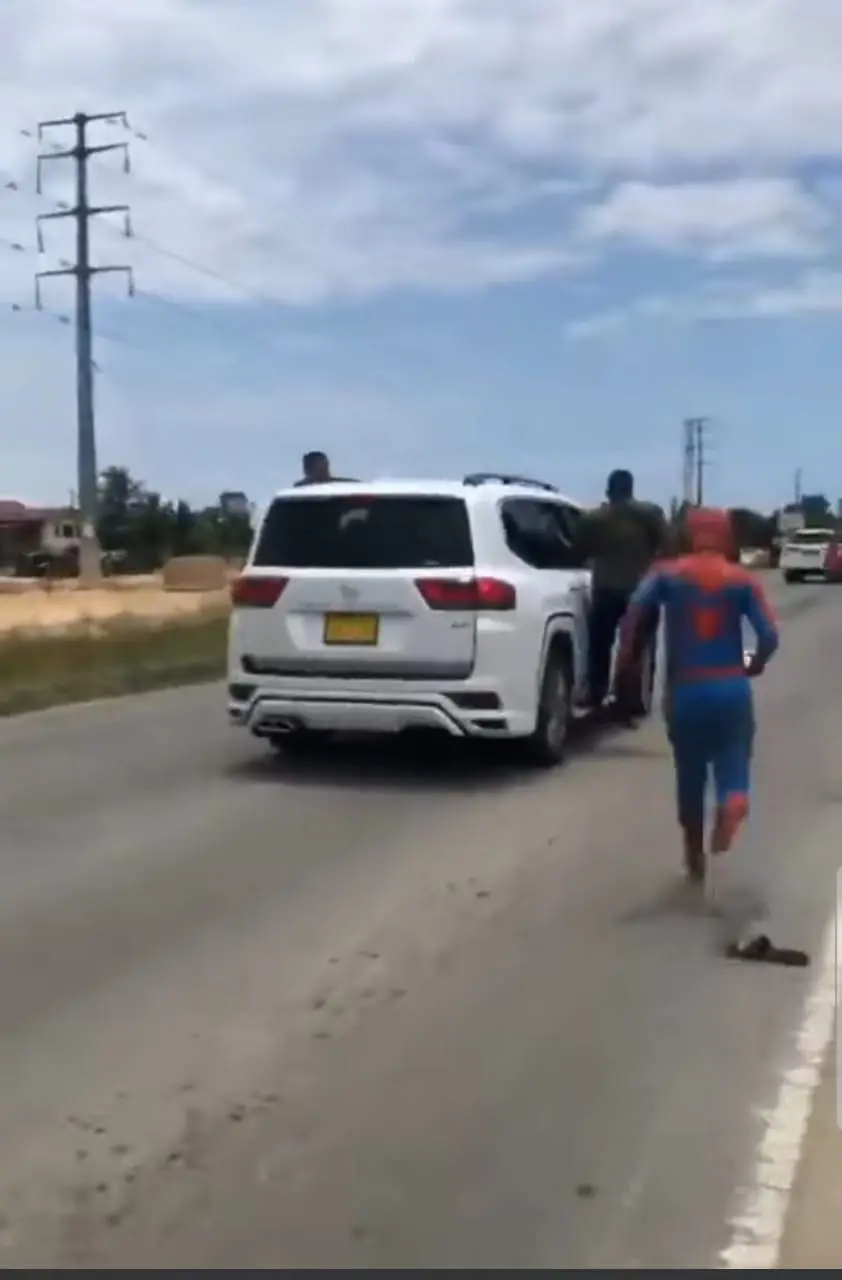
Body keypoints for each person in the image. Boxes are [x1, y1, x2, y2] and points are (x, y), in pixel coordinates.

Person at [615, 507, 780, 884]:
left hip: (685, 690)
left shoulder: (667, 575)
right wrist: (754, 664)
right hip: (730, 685)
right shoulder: (742, 580)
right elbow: (769, 635)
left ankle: (694, 856)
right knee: (733, 758)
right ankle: (733, 800)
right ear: (725, 538)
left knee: (689, 772)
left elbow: (634, 613)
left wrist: (628, 660)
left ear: (689, 536)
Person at [576, 469, 669, 717]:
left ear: (609, 490)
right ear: (631, 489)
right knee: (638, 648)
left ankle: (596, 692)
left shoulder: (595, 519)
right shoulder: (650, 515)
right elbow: (668, 544)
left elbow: (579, 549)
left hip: (605, 590)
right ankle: (632, 700)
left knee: (599, 645)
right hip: (641, 592)